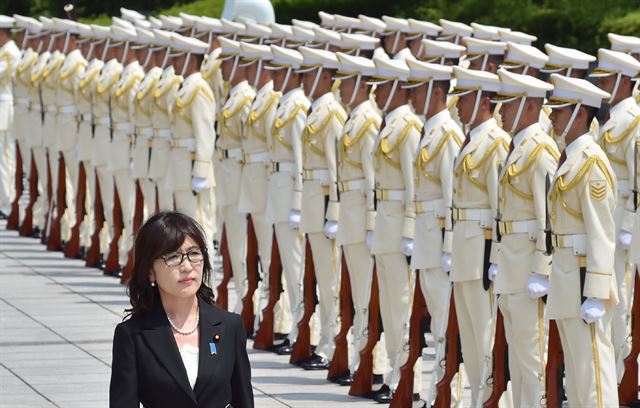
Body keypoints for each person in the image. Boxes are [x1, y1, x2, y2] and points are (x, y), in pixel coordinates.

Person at [110, 211, 253, 407]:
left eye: (194, 254)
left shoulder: (230, 326)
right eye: (173, 257)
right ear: (150, 272)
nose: (186, 266)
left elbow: (243, 400)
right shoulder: (133, 335)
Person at [546, 73, 619, 407]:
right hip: (565, 274)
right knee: (575, 373)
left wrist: (596, 291)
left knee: (593, 372)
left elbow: (602, 233)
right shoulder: (572, 157)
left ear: (578, 113)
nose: (552, 116)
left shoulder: (591, 162)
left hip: (581, 276)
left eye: (559, 110)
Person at [590, 48, 640, 381]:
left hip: (622, 226)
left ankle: (622, 375)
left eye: (608, 78)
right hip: (606, 222)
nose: (604, 85)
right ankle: (613, 372)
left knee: (621, 301)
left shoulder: (634, 120)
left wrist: (627, 226)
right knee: (611, 299)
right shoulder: (611, 119)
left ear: (623, 80)